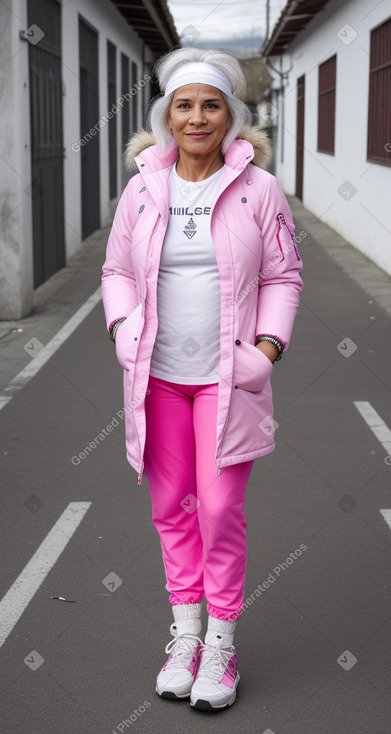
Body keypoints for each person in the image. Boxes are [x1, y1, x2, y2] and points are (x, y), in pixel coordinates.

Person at [102, 46, 303, 711]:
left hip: (227, 379)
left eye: (210, 105)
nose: (196, 117)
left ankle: (221, 643)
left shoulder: (257, 190)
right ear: (167, 116)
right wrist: (123, 332)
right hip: (155, 378)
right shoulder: (142, 188)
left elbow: (282, 275)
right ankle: (184, 637)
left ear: (230, 116)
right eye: (184, 105)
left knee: (217, 509)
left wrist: (266, 349)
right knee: (171, 509)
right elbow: (117, 273)